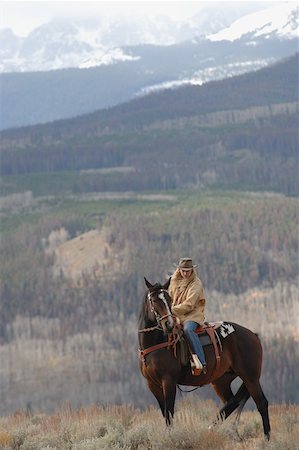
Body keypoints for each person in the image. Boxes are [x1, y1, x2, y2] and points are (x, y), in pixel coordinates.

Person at [169, 257, 207, 375]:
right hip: (176, 314)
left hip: (192, 315)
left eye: (187, 271)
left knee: (188, 330)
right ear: (179, 270)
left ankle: (201, 361)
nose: (185, 273)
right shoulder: (174, 281)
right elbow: (170, 297)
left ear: (192, 270)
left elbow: (189, 304)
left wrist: (171, 310)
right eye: (183, 270)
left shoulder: (196, 283)